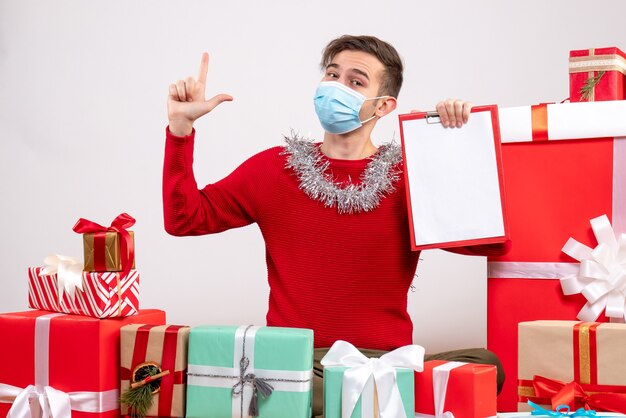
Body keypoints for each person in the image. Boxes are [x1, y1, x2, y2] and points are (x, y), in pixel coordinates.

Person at [163, 35, 505, 417]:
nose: (337, 88)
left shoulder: (409, 177)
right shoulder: (275, 169)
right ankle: (362, 399)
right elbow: (184, 218)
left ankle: (357, 396)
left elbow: (491, 246)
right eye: (332, 75)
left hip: (385, 362)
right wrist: (180, 130)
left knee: (487, 365)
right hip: (299, 363)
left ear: (384, 105)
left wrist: (450, 146)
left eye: (355, 82)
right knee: (293, 384)